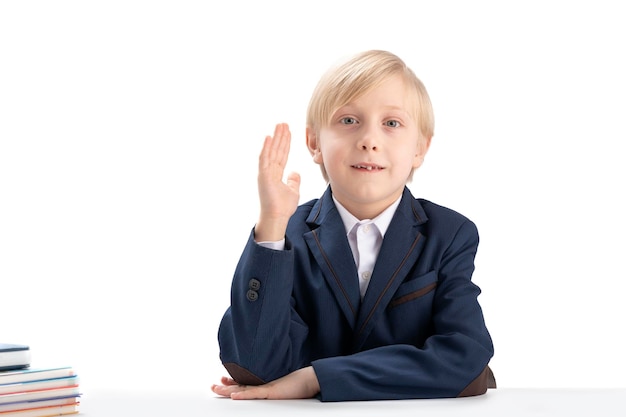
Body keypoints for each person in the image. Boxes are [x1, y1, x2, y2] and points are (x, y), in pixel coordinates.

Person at [212, 50, 495, 402]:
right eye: (348, 121)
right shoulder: (288, 236)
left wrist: (318, 377)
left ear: (420, 148)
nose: (369, 140)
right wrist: (271, 226)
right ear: (315, 143)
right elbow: (253, 364)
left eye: (391, 123)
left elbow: (466, 359)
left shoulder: (449, 234)